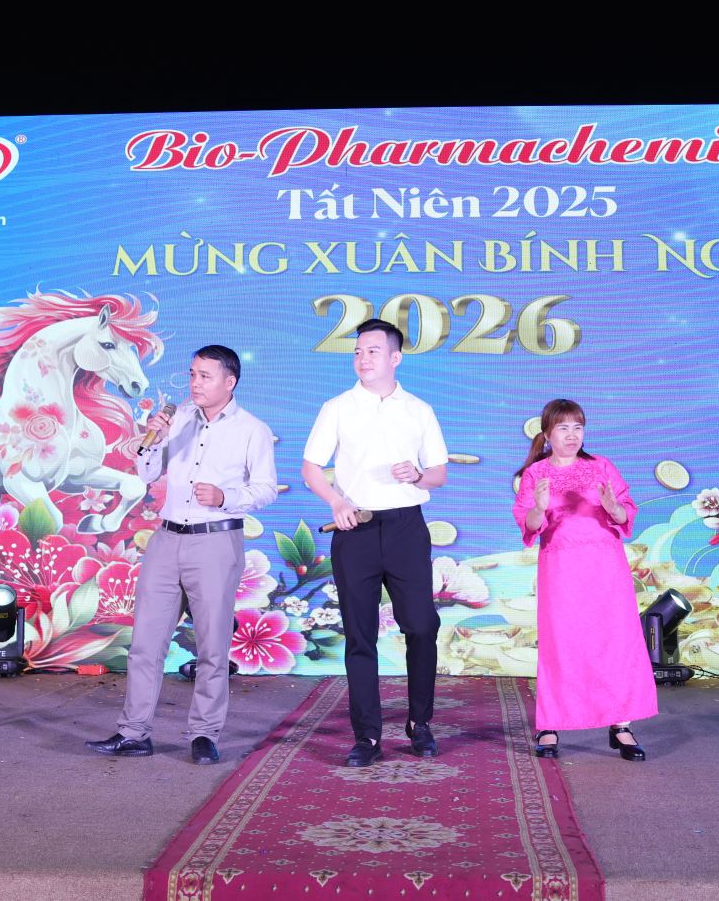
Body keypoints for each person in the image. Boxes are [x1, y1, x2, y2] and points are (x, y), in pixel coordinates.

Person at [85, 345, 276, 765]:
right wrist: (153, 439)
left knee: (211, 647)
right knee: (145, 643)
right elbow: (148, 473)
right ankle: (134, 732)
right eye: (192, 374)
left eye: (205, 376)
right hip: (167, 539)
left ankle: (204, 734)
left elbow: (265, 488)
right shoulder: (179, 419)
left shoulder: (252, 430)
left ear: (230, 381)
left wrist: (226, 496)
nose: (195, 383)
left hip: (215, 541)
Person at [302, 319, 448, 767]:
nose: (363, 359)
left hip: (406, 527)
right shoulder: (337, 407)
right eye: (358, 351)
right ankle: (367, 735)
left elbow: (439, 473)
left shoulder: (419, 409)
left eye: (372, 351)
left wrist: (418, 475)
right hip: (355, 530)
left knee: (421, 625)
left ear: (395, 358)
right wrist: (336, 501)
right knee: (359, 635)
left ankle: (419, 722)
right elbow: (311, 468)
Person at [512, 399, 656, 761]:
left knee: (615, 640)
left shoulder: (601, 466)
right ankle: (550, 724)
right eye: (563, 428)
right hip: (562, 569)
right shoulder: (536, 474)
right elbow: (528, 525)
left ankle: (621, 724)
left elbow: (625, 514)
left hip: (606, 567)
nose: (572, 435)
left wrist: (613, 507)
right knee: (562, 643)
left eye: (578, 427)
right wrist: (539, 507)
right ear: (547, 433)